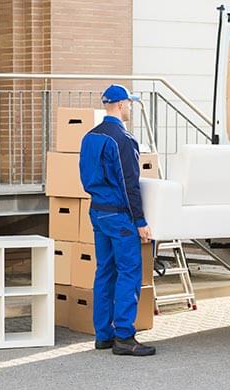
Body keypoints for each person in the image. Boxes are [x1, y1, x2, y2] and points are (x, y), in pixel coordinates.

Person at [79, 84, 155, 356]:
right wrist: (140, 221)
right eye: (130, 103)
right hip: (120, 216)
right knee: (129, 272)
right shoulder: (122, 139)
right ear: (121, 105)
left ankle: (103, 335)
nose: (131, 108)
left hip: (97, 211)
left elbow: (85, 177)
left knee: (105, 271)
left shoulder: (89, 137)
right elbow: (129, 184)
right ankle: (124, 335)